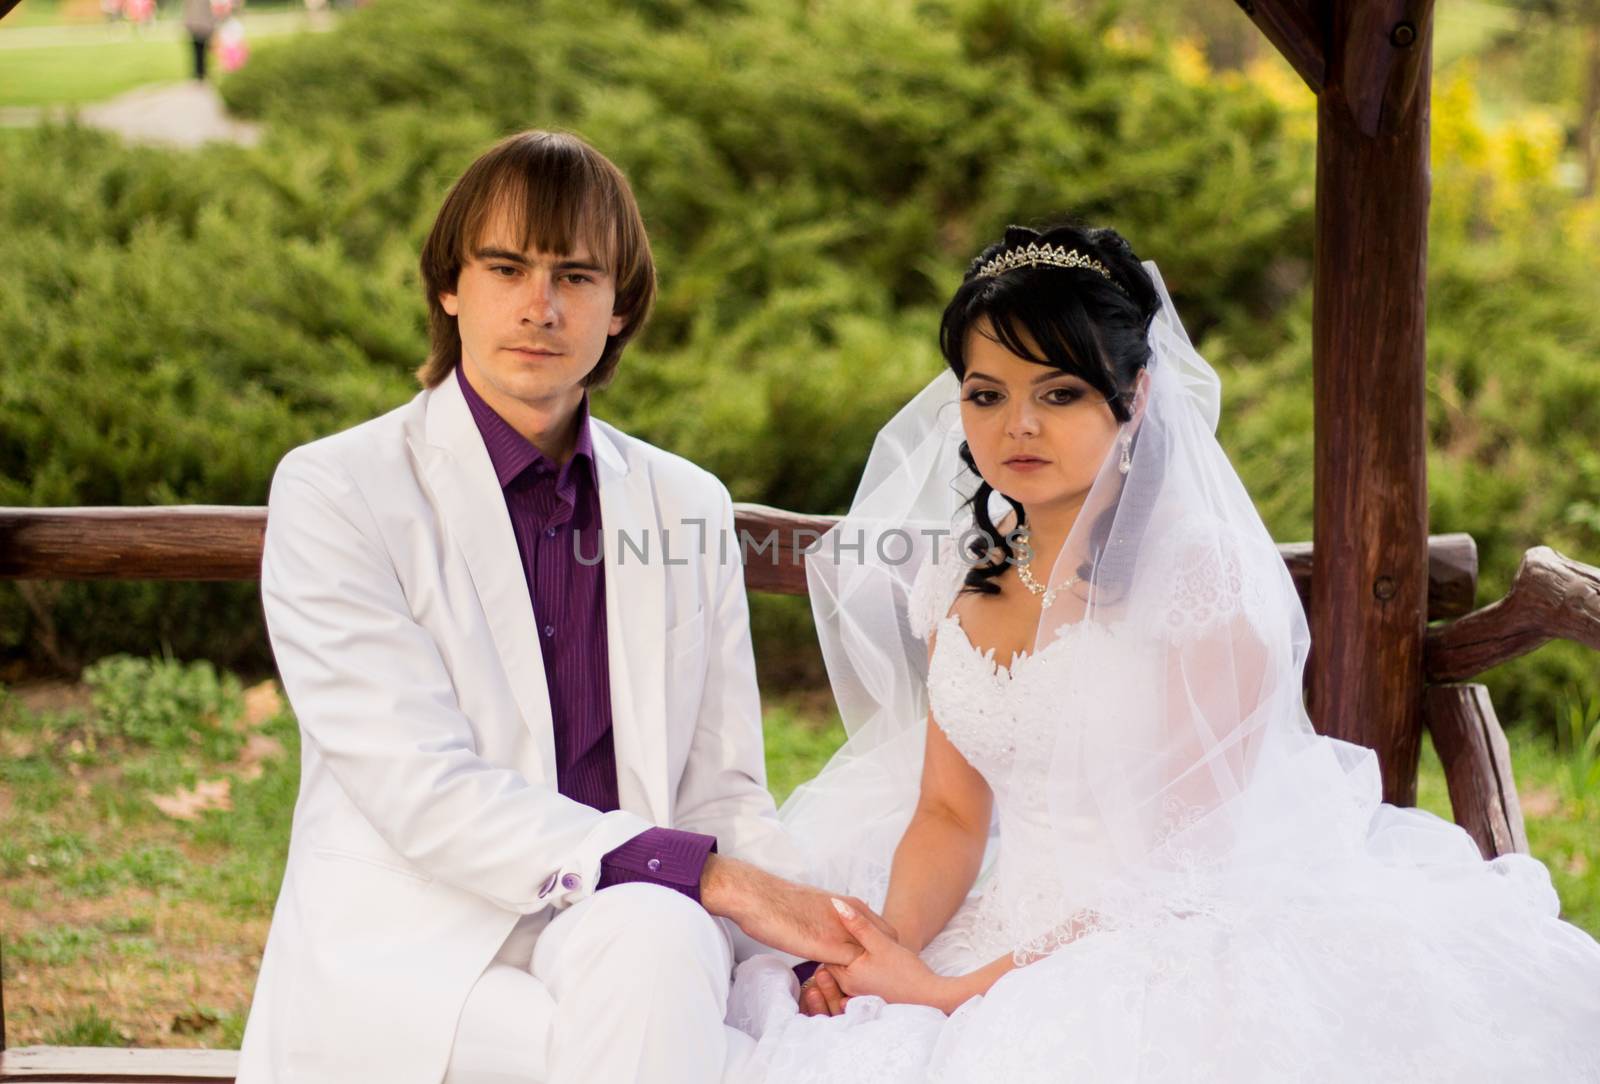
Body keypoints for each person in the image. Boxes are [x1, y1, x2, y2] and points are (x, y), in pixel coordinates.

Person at [726, 222, 1600, 1081]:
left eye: (1059, 392)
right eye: (986, 394)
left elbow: (1180, 876)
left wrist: (953, 996)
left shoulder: (1202, 589)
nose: (1017, 425)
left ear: (1136, 395)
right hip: (1002, 922)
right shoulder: (960, 573)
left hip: (1170, 941)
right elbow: (951, 815)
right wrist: (889, 949)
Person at [235, 130, 883, 1084]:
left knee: (665, 945)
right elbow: (421, 787)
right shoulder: (339, 489)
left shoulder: (685, 503)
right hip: (420, 938)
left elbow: (723, 791)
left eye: (576, 277)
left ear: (619, 308)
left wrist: (804, 937)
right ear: (449, 286)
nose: (540, 307)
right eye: (506, 268)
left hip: (629, 924)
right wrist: (704, 874)